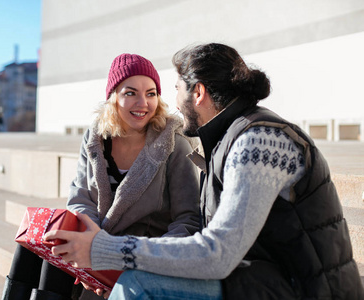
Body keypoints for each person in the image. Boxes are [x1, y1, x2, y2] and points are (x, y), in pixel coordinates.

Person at [45, 43, 364, 299]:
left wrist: (107, 251)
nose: (171, 101)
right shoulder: (232, 137)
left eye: (174, 90)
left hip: (303, 288)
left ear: (197, 93)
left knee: (137, 286)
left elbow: (217, 253)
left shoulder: (259, 141)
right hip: (259, 273)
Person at [1, 53, 201, 300]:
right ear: (113, 96)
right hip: (97, 245)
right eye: (130, 93)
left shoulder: (173, 144)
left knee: (57, 264)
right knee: (39, 246)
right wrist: (90, 244)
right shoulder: (96, 138)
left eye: (151, 93)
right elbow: (80, 198)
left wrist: (113, 256)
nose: (143, 103)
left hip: (140, 255)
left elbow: (188, 221)